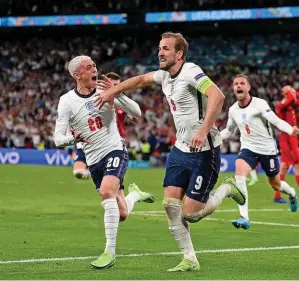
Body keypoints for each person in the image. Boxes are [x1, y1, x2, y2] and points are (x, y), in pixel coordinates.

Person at [94, 32, 246, 272]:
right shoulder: (165, 75)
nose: (160, 52)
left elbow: (217, 96)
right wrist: (114, 91)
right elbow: (140, 80)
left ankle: (227, 188)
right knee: (170, 205)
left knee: (191, 214)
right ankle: (190, 258)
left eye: (165, 48)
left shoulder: (191, 71)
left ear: (179, 54)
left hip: (205, 150)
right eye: (159, 48)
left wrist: (201, 131)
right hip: (180, 149)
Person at [54, 55, 155, 270]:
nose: (94, 69)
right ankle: (134, 195)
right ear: (77, 75)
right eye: (88, 67)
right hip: (93, 159)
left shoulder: (105, 91)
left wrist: (116, 92)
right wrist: (75, 139)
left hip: (114, 149)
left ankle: (109, 251)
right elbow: (58, 139)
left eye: (94, 66)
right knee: (122, 214)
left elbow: (136, 112)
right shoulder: (66, 101)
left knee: (107, 192)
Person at [220, 74, 299, 230]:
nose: (239, 86)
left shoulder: (259, 104)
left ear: (248, 87)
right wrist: (209, 139)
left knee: (275, 185)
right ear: (233, 89)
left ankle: (291, 193)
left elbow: (275, 121)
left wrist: (291, 130)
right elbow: (228, 132)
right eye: (236, 84)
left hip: (268, 150)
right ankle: (244, 217)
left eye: (242, 83)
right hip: (248, 148)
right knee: (239, 171)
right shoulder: (233, 110)